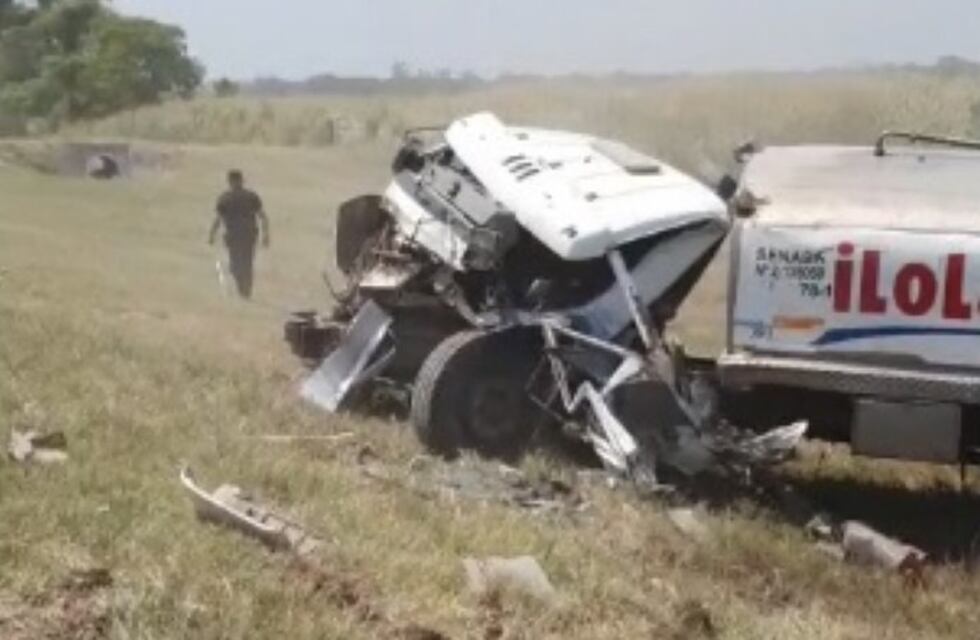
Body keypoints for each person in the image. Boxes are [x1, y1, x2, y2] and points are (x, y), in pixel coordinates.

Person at [208, 170, 270, 299]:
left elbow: (218, 219)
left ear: (230, 181)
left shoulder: (225, 198)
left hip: (235, 235)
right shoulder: (250, 196)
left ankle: (244, 290)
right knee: (245, 263)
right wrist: (265, 235)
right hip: (247, 235)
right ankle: (245, 290)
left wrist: (212, 235)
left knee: (237, 264)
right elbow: (263, 217)